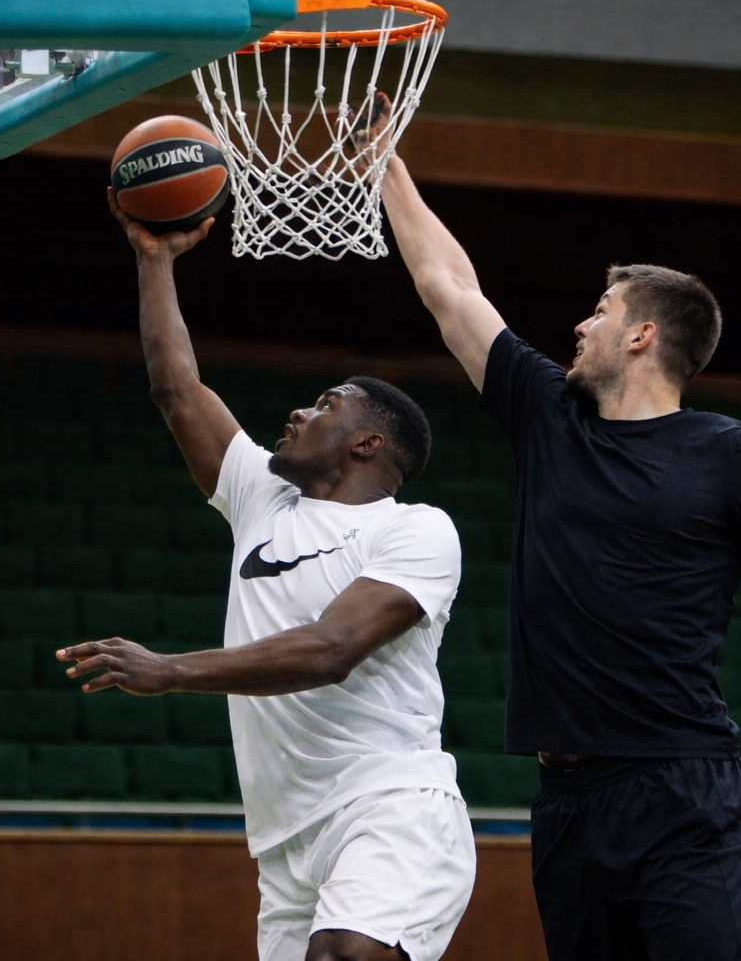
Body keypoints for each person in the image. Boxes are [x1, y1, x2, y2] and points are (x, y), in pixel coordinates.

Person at [378, 154, 741, 960]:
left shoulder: (731, 456)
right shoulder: (549, 414)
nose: (581, 326)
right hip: (566, 802)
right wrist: (386, 165)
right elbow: (450, 288)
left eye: (600, 311)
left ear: (641, 334)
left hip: (682, 791)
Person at [56, 192, 476, 961]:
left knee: (346, 958)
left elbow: (329, 650)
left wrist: (171, 670)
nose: (297, 411)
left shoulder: (416, 529)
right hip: (284, 841)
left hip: (389, 807)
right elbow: (177, 391)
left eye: (326, 404)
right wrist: (153, 260)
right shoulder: (261, 497)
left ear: (368, 445)